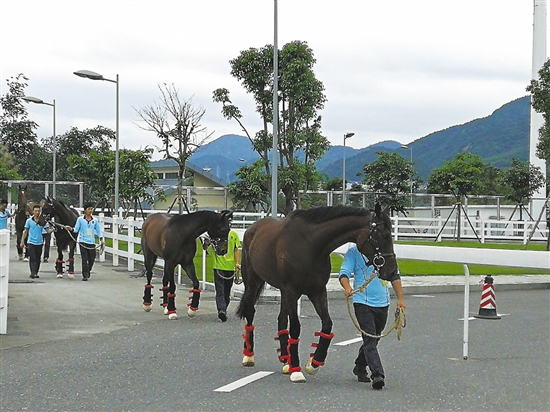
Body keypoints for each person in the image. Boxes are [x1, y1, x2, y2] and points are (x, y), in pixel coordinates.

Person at [339, 244, 406, 390]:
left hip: (383, 303)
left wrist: (400, 299)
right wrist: (347, 287)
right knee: (370, 339)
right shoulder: (353, 252)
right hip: (362, 302)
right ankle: (377, 374)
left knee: (374, 338)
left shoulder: (384, 251)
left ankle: (360, 365)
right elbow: (344, 273)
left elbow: (394, 275)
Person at [207, 229, 241, 322]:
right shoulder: (231, 234)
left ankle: (223, 309)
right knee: (222, 290)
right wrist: (237, 263)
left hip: (225, 267)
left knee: (223, 291)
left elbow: (236, 249)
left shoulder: (219, 235)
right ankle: (222, 310)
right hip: (221, 267)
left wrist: (237, 263)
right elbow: (236, 250)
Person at [64, 202, 104, 281]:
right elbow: (76, 230)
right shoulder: (80, 219)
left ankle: (88, 270)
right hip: (83, 241)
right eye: (88, 209)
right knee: (84, 259)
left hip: (91, 242)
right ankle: (85, 275)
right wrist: (70, 228)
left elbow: (98, 230)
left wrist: (101, 239)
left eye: (91, 209)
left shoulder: (95, 220)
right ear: (85, 210)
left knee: (92, 258)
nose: (90, 211)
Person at [20, 204, 54, 279]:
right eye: (36, 211)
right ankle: (32, 272)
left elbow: (47, 230)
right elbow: (25, 231)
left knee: (38, 258)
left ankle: (36, 272)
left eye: (38, 211)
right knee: (32, 257)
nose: (37, 212)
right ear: (33, 212)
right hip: (31, 242)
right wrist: (22, 241)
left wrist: (53, 229)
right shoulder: (29, 221)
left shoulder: (43, 221)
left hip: (39, 242)